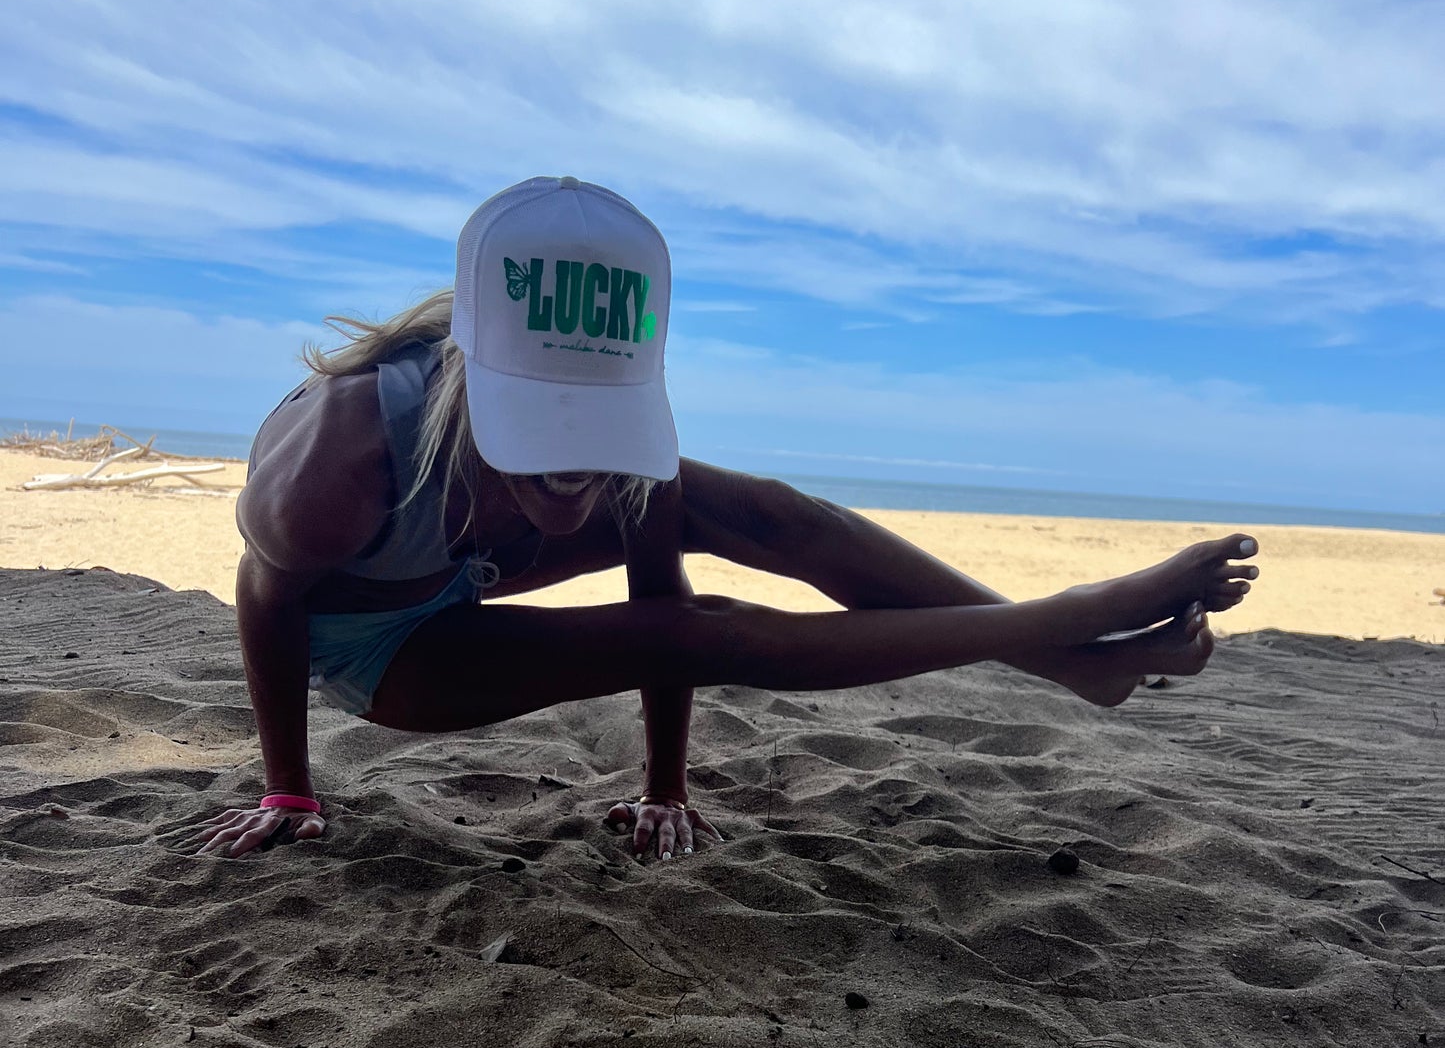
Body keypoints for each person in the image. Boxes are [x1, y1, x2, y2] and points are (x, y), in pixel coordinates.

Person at [189, 175, 1259, 864]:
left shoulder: (613, 421)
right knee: (713, 636)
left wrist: (663, 785)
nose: (571, 478)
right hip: (383, 647)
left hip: (468, 568)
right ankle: (1066, 622)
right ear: (472, 373)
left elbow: (660, 587)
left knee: (766, 514)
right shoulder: (336, 463)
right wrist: (290, 787)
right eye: (535, 431)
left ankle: (1073, 658)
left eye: (592, 430)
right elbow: (263, 593)